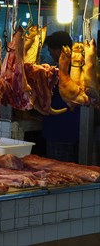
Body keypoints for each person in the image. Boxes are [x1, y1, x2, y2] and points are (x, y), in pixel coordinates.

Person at [41, 30, 80, 163]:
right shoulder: (78, 69)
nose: (51, 55)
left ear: (58, 51)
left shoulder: (61, 73)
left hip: (59, 131)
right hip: (74, 130)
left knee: (60, 171)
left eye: (51, 51)